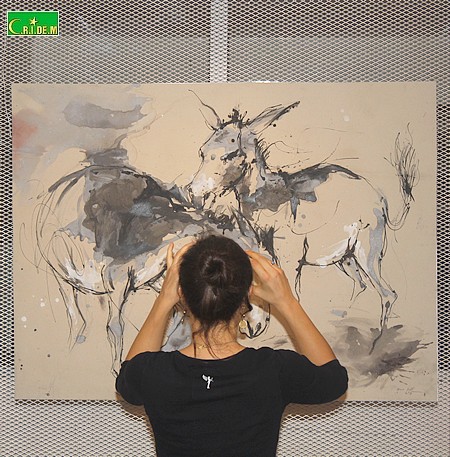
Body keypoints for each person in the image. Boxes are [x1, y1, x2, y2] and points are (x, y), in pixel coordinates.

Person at [116, 235, 348, 457]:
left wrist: (165, 298)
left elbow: (127, 383)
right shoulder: (273, 370)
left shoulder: (154, 374)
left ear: (183, 295)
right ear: (246, 296)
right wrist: (286, 301)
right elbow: (333, 381)